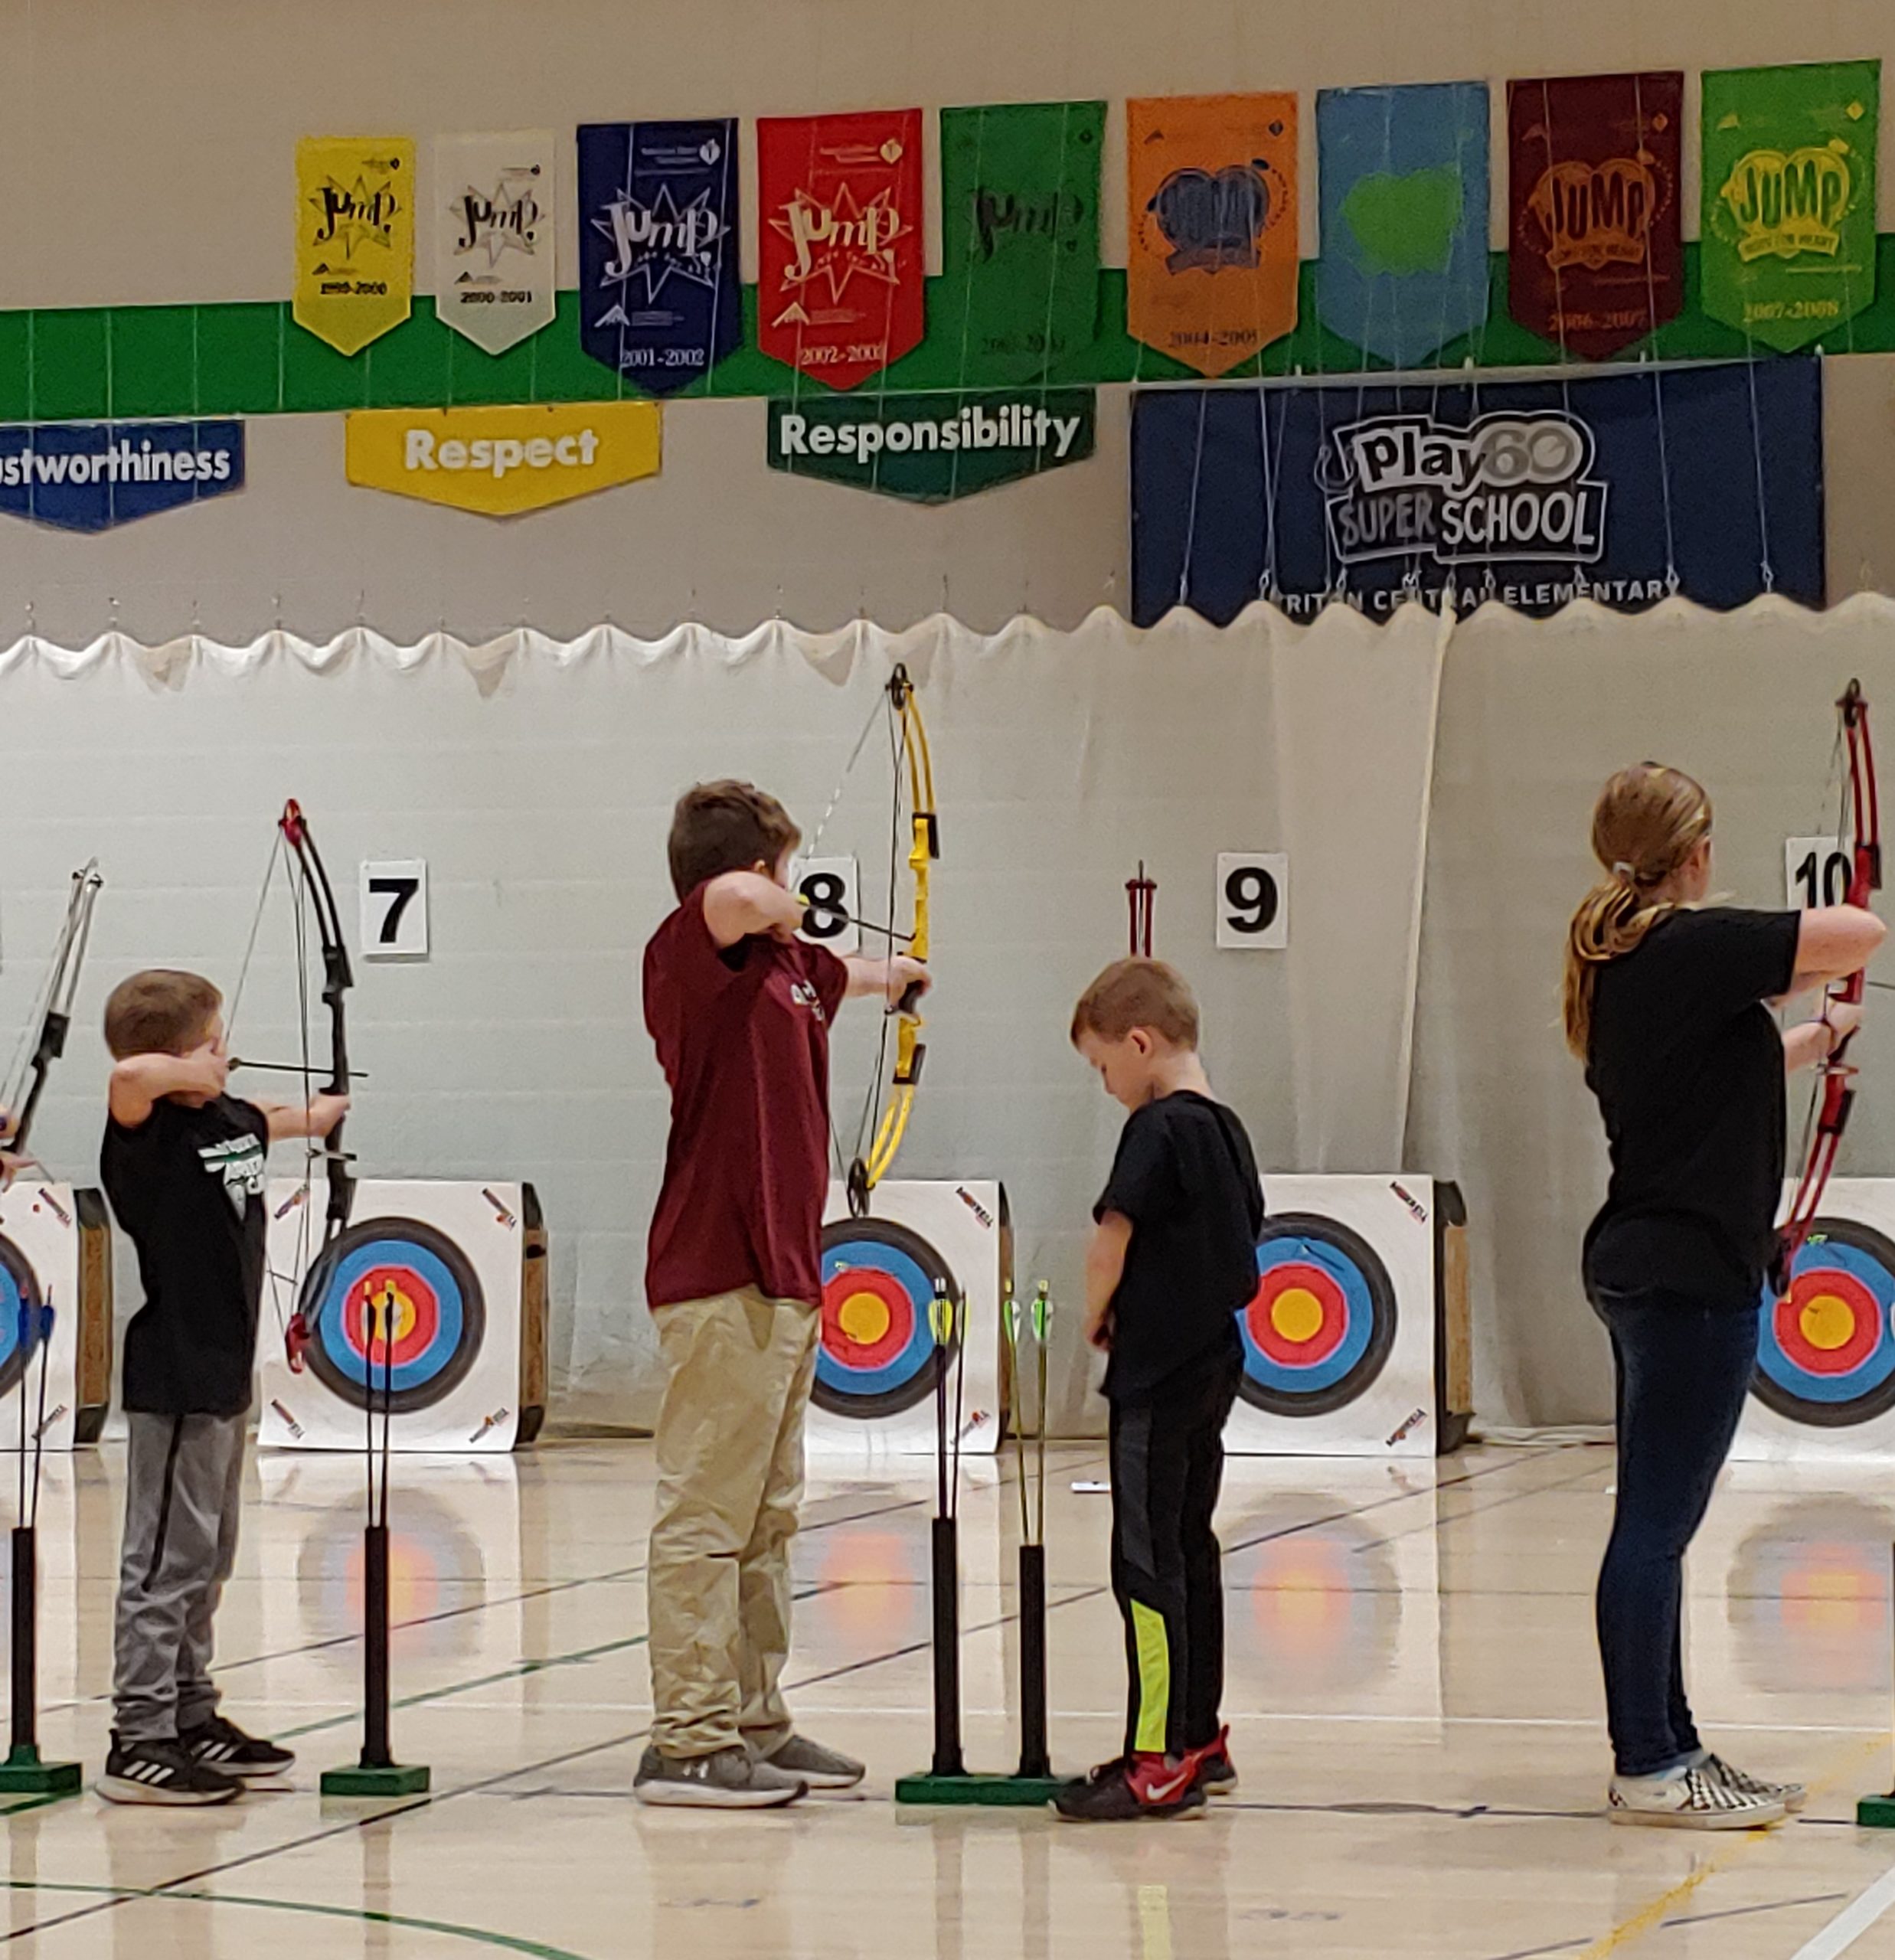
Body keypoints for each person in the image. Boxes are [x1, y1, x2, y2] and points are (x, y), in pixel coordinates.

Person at [1566, 764, 1884, 1829]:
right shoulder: (1679, 943)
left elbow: (1710, 1079)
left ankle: (1674, 1747)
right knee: (1654, 1528)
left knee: (1654, 1525)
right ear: (1691, 852)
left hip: (1644, 1262)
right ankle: (1645, 1765)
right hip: (1690, 1275)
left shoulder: (1623, 961)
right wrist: (1818, 969)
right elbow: (1855, 931)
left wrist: (1812, 1037)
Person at [635, 779, 930, 1809]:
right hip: (715, 1268)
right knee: (704, 1516)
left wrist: (898, 974)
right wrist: (782, 893)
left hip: (785, 1274)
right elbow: (741, 902)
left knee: (766, 1520)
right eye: (780, 863)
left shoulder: (786, 970)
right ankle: (686, 1738)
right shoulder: (690, 954)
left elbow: (844, 968)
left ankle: (753, 1720)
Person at [97, 969, 347, 1805]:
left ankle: (191, 1710)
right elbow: (129, 1077)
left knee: (207, 1559)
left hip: (222, 1374)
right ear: (180, 1056)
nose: (226, 1056)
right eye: (214, 1043)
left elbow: (260, 1124)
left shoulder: (221, 1117)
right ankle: (139, 1734)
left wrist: (315, 1117)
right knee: (163, 1560)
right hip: (172, 1372)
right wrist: (186, 1069)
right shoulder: (141, 1135)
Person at [1055, 958, 1263, 1822]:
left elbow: (1113, 1239)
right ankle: (1200, 1735)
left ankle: (1157, 1757)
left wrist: (1095, 1313)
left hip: (1156, 1370)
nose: (1107, 1085)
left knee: (1142, 1563)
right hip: (1214, 1361)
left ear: (1139, 1043)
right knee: (1188, 1546)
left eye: (1104, 1065)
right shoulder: (1228, 1129)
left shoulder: (1158, 1128)